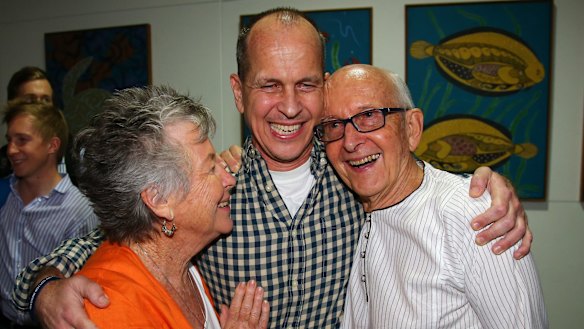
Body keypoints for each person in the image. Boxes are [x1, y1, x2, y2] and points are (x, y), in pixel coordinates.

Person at [13, 8, 531, 329]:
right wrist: (45, 291)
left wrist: (479, 189)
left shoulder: (356, 177)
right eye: (269, 85)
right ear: (239, 91)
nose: (289, 106)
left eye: (306, 84)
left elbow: (403, 169)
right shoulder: (211, 187)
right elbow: (112, 239)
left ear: (324, 86)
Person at [314, 64, 548, 328]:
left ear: (412, 128)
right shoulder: (345, 205)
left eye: (369, 115)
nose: (349, 141)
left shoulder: (474, 216)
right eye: (333, 125)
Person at [67, 85, 269, 328]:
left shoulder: (183, 268)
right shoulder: (108, 307)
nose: (230, 180)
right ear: (160, 200)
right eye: (211, 169)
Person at [0, 100, 98, 328]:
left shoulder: (79, 209)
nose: (11, 150)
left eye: (22, 140)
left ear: (52, 145)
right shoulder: (6, 195)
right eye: (9, 141)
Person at [1, 66, 74, 181]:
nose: (41, 107)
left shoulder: (78, 154)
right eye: (31, 100)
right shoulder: (4, 162)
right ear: (13, 107)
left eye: (46, 100)